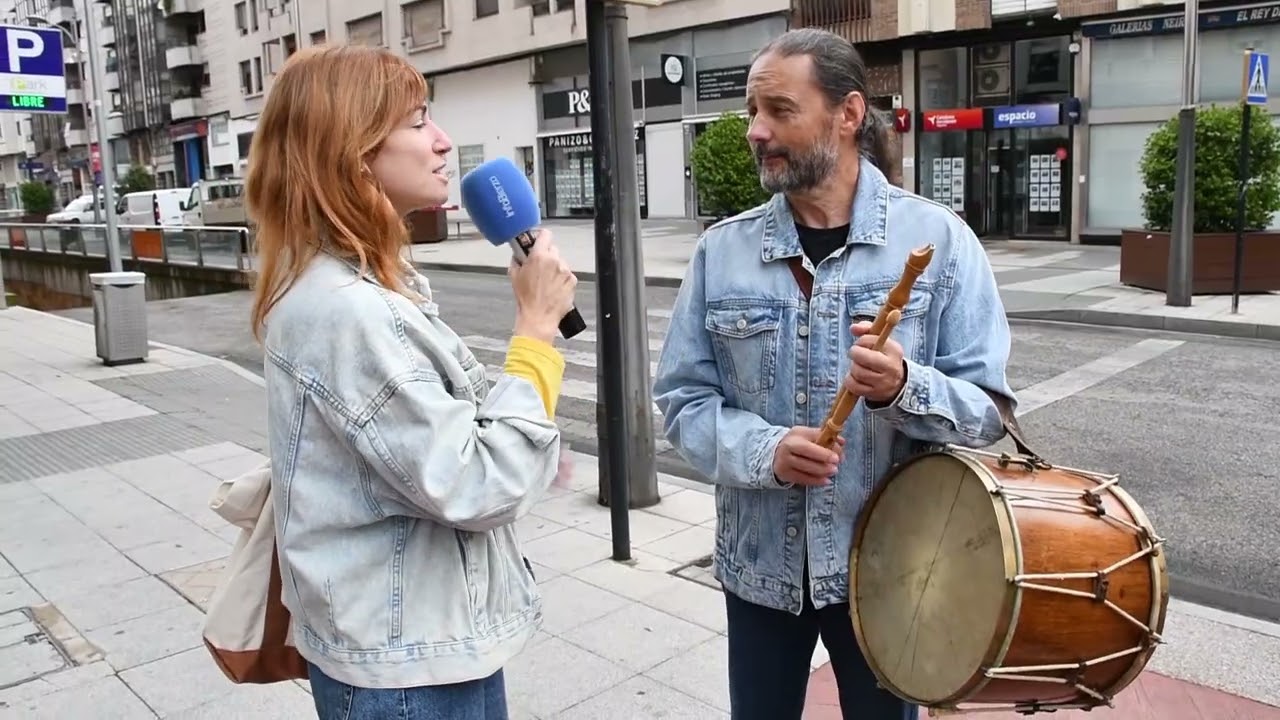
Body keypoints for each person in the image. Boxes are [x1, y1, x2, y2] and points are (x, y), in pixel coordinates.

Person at [653, 28, 1017, 720]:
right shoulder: (721, 254)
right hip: (762, 571)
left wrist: (904, 385)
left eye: (780, 110)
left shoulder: (938, 243)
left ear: (848, 115)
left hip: (894, 570)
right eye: (752, 112)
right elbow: (681, 404)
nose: (756, 131)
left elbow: (989, 410)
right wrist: (766, 452)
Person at [244, 44, 577, 720]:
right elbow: (480, 485)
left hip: (429, 641)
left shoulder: (363, 285)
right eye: (419, 120)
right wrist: (535, 329)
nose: (444, 140)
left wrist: (522, 418)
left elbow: (447, 439)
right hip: (404, 669)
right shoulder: (349, 311)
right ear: (354, 149)